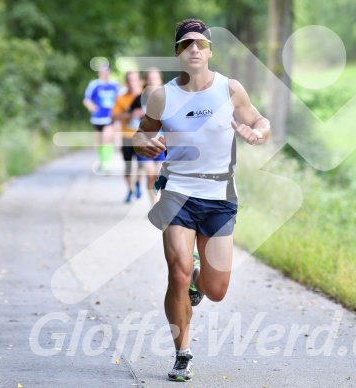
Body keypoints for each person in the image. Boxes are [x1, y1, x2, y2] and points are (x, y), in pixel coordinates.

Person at [132, 18, 270, 381]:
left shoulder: (229, 89)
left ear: (209, 51)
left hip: (220, 196)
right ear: (178, 52)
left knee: (216, 289)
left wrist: (257, 133)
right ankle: (182, 352)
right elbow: (139, 135)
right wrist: (143, 143)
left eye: (201, 43)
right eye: (187, 43)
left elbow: (260, 120)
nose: (195, 48)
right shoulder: (162, 96)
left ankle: (199, 278)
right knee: (175, 274)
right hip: (177, 192)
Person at [129, 68, 166, 206]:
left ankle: (161, 201)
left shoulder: (167, 97)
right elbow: (127, 116)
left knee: (158, 175)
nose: (152, 81)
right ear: (145, 81)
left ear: (160, 81)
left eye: (154, 79)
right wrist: (135, 115)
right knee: (150, 174)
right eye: (149, 79)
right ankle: (153, 205)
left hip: (162, 141)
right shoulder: (139, 98)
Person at [112, 71, 143, 202]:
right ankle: (130, 189)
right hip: (126, 136)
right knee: (128, 166)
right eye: (129, 80)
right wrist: (130, 115)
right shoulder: (121, 98)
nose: (132, 83)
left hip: (142, 136)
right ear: (126, 82)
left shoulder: (145, 96)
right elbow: (114, 116)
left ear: (139, 80)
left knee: (142, 165)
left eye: (134, 80)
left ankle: (138, 182)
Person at [83, 65, 120, 172]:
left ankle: (106, 165)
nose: (104, 73)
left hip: (110, 118)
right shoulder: (94, 85)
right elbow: (87, 100)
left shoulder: (114, 85)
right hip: (97, 118)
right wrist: (91, 107)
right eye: (102, 72)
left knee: (107, 138)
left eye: (106, 71)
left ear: (109, 72)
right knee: (99, 142)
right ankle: (101, 160)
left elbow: (120, 99)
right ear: (99, 73)